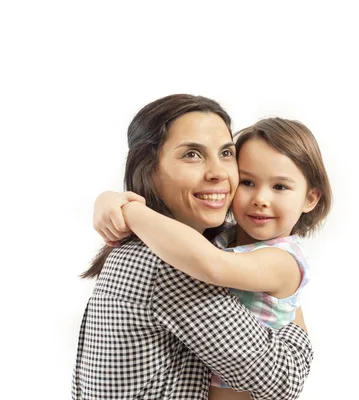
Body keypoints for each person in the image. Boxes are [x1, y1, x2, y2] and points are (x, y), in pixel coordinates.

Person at [71, 94, 313, 400]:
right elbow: (280, 380)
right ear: (149, 170)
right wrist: (294, 323)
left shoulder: (194, 244)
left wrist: (115, 202)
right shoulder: (172, 264)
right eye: (192, 155)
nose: (218, 173)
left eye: (226, 153)